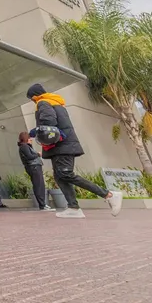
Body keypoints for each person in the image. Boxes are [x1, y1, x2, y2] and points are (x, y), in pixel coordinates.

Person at [27, 83, 122, 218]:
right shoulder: (56, 103)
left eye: (31, 98)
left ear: (35, 96)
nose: (32, 101)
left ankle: (109, 195)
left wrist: (37, 131)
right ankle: (73, 207)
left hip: (61, 145)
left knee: (66, 174)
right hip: (61, 146)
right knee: (60, 176)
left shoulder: (42, 102)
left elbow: (49, 121)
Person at [18, 132, 52, 210]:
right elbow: (29, 156)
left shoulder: (26, 147)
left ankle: (43, 204)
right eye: (29, 138)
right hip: (33, 167)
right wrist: (38, 154)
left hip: (35, 167)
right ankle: (42, 204)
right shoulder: (24, 147)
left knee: (40, 185)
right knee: (38, 185)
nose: (31, 140)